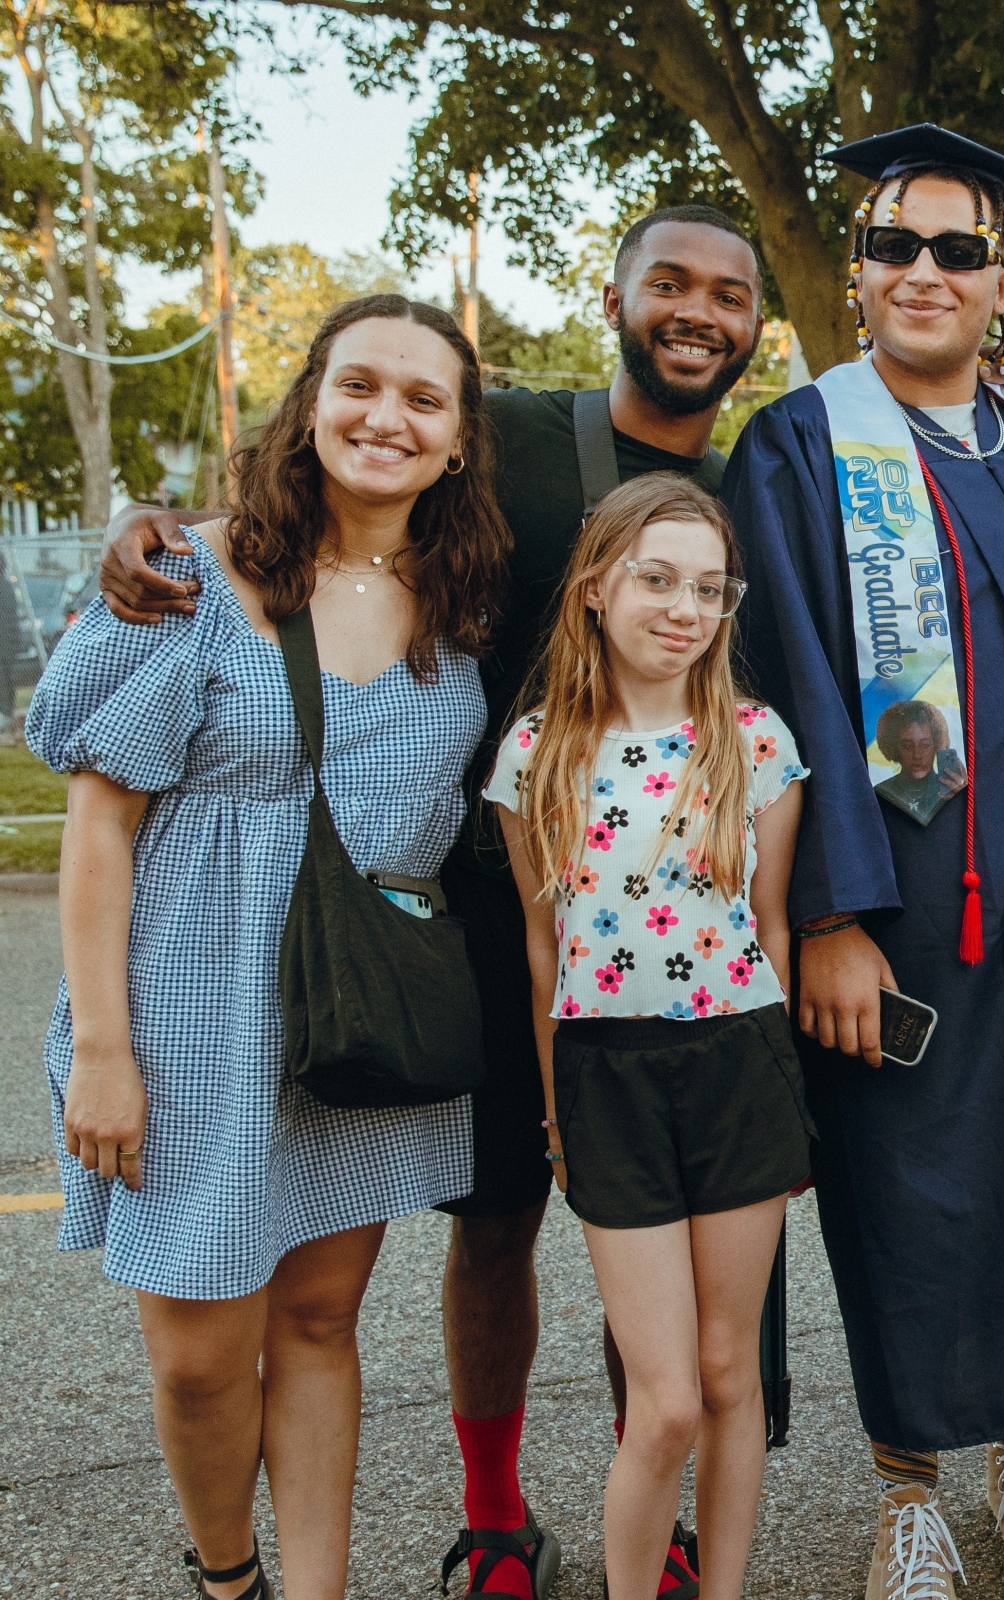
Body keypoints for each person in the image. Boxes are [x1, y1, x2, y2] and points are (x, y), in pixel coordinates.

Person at [97, 205, 768, 1600]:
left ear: (759, 323)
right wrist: (144, 524)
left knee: (661, 1265)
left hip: (653, 940)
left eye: (729, 293)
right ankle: (494, 1515)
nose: (697, 311)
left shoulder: (765, 476)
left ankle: (664, 1516)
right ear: (615, 297)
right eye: (668, 282)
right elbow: (331, 473)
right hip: (455, 925)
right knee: (494, 1228)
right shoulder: (509, 427)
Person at [31, 295, 508, 1600]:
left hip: (359, 1011)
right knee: (197, 1358)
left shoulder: (463, 605)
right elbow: (99, 824)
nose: (387, 417)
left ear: (458, 442)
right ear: (310, 404)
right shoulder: (188, 578)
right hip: (184, 1011)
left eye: (424, 398)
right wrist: (104, 1050)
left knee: (318, 1320)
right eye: (361, 384)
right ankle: (229, 1576)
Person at [720, 124, 1004, 1600]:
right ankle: (908, 1487)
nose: (924, 272)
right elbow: (777, 686)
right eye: (895, 246)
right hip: (894, 905)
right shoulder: (804, 444)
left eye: (960, 249)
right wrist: (830, 912)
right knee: (900, 1188)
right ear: (858, 271)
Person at [485, 474, 806, 1600]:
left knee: (728, 1372)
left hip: (739, 1062)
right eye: (658, 579)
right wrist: (555, 1113)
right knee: (664, 1399)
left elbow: (771, 925)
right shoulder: (537, 754)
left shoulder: (753, 741)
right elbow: (543, 951)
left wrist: (784, 1085)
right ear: (596, 587)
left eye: (710, 589)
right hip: (604, 1078)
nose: (684, 608)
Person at [872, 700, 966, 823]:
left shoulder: (952, 789)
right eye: (907, 746)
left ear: (937, 745)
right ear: (893, 747)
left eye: (925, 745)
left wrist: (963, 798)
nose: (917, 755)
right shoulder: (881, 792)